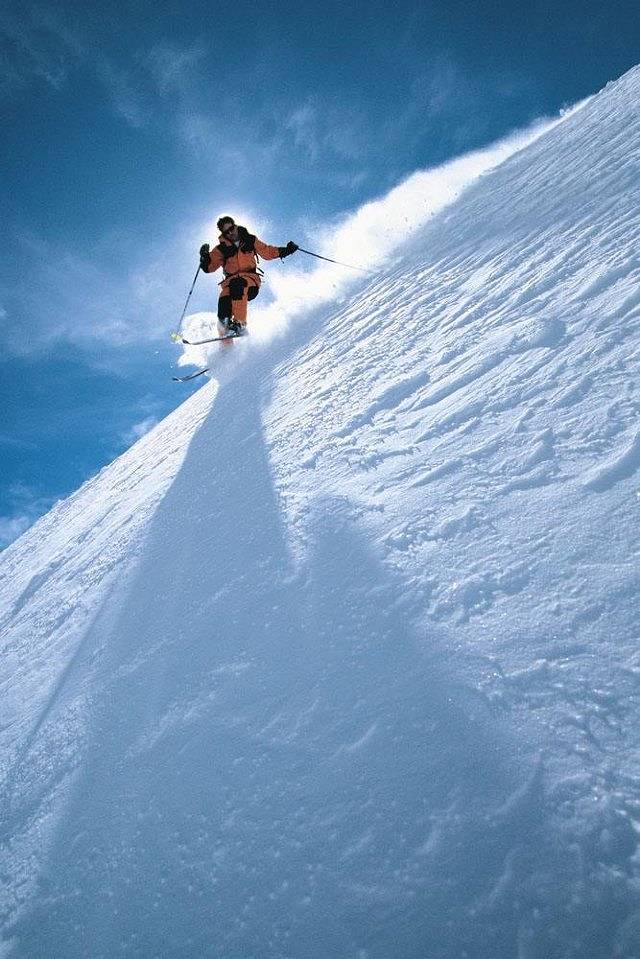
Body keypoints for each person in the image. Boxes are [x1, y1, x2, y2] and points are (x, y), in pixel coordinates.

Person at [199, 217, 298, 335]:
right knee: (223, 303)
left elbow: (267, 252)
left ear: (235, 226)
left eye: (231, 228)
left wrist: (286, 250)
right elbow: (210, 267)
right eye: (226, 232)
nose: (230, 232)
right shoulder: (221, 249)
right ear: (223, 233)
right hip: (229, 284)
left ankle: (240, 324)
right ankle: (226, 341)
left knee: (238, 284)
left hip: (250, 281)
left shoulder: (249, 240)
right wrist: (205, 258)